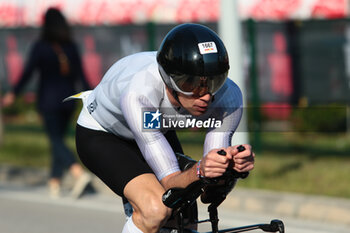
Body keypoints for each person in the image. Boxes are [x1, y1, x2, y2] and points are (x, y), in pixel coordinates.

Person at [73, 23, 255, 233]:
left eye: (214, 82)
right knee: (155, 209)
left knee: (184, 217)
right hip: (104, 134)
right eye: (192, 84)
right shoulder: (141, 92)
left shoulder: (229, 96)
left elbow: (209, 191)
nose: (205, 95)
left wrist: (230, 168)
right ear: (169, 80)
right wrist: (199, 170)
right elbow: (170, 182)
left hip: (155, 129)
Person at [2, 8, 92, 199]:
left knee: (55, 140)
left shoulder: (40, 46)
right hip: (68, 101)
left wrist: (14, 93)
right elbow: (81, 76)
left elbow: (28, 73)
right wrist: (92, 97)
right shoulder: (71, 46)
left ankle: (77, 172)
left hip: (48, 101)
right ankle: (55, 183)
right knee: (57, 139)